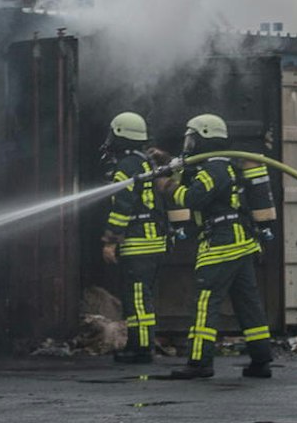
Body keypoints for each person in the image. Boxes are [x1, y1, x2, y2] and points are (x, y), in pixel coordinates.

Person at [166, 113, 275, 380]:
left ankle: (199, 362)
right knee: (248, 304)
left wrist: (168, 187)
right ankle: (261, 361)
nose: (189, 145)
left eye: (192, 139)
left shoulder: (213, 169)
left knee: (205, 301)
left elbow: (193, 198)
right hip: (240, 242)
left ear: (204, 138)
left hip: (222, 244)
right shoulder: (225, 165)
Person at [100, 111, 168, 364]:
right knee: (142, 296)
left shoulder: (127, 165)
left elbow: (122, 207)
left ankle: (140, 348)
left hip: (139, 243)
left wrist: (110, 242)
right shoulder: (144, 161)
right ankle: (139, 344)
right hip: (152, 241)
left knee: (137, 298)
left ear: (121, 136)